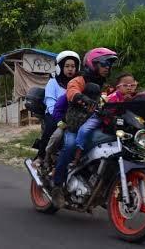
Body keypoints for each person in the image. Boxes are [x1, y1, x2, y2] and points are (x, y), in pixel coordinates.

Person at [52, 47, 118, 207]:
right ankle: (57, 186)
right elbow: (72, 89)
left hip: (96, 125)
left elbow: (114, 97)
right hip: (75, 125)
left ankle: (102, 186)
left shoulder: (105, 85)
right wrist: (80, 97)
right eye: (104, 63)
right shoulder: (81, 79)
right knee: (70, 146)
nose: (107, 67)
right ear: (93, 63)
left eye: (109, 64)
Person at [34, 50, 80, 165]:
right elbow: (50, 104)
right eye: (67, 66)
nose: (70, 69)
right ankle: (41, 155)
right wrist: (59, 118)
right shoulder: (53, 82)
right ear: (60, 67)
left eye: (73, 66)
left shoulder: (79, 84)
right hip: (54, 113)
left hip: (73, 115)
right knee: (50, 127)